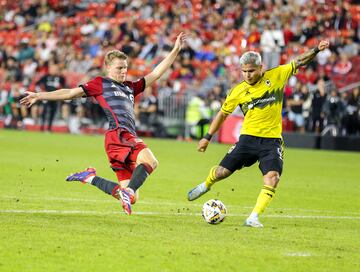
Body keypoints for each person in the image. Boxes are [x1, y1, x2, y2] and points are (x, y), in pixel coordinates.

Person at [20, 32, 187, 215]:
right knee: (151, 161)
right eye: (119, 68)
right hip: (119, 135)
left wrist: (175, 50)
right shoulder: (100, 84)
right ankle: (127, 191)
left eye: (125, 68)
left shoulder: (131, 87)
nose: (123, 71)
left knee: (133, 199)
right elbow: (69, 93)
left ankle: (90, 177)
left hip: (120, 141)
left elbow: (156, 73)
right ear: (108, 67)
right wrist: (39, 95)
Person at [187, 40, 330, 228]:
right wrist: (207, 137)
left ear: (260, 67)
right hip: (248, 139)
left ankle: (253, 217)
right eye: (244, 71)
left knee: (273, 177)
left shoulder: (277, 76)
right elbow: (222, 114)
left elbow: (299, 61)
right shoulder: (238, 91)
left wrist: (316, 50)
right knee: (222, 172)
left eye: (251, 71)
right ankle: (206, 184)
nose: (247, 75)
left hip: (272, 141)